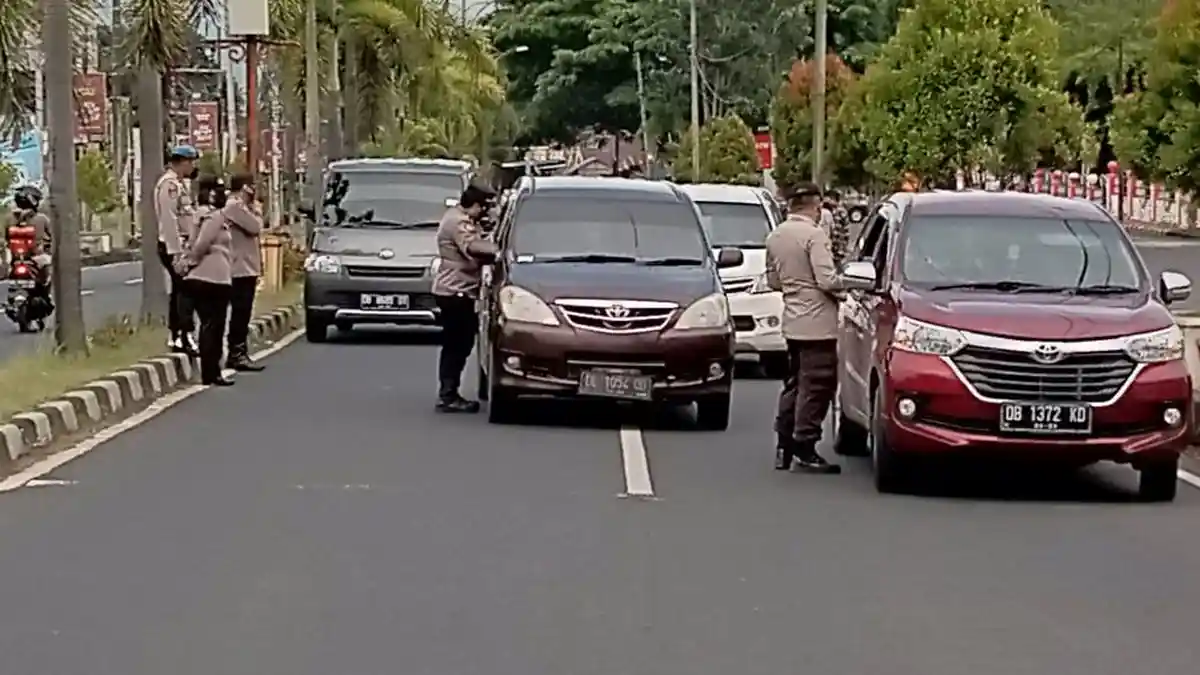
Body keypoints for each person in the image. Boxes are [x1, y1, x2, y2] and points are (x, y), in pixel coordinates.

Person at [766, 182, 842, 474]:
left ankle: (783, 442)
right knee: (818, 384)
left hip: (793, 319)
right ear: (816, 206)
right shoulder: (814, 236)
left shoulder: (776, 236)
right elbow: (826, 279)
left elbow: (773, 280)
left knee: (794, 383)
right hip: (818, 323)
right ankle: (805, 444)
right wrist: (845, 288)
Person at [431, 182, 498, 413]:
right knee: (456, 344)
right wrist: (501, 251)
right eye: (484, 207)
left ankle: (449, 391)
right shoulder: (458, 222)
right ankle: (448, 394)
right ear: (475, 204)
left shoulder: (462, 218)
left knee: (461, 342)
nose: (485, 212)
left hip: (460, 290)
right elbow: (473, 248)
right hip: (454, 291)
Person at [181, 177, 234, 387]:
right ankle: (212, 372)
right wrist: (191, 261)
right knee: (215, 325)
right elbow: (202, 242)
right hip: (215, 278)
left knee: (207, 325)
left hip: (200, 278)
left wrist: (187, 263)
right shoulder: (215, 216)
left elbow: (191, 241)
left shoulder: (197, 215)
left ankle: (209, 371)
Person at [156, 145, 201, 355]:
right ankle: (185, 333)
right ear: (181, 162)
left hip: (181, 244)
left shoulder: (180, 184)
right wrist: (176, 252)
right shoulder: (170, 185)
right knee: (186, 290)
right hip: (173, 246)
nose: (193, 166)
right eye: (190, 162)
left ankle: (176, 335)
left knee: (179, 290)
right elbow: (169, 219)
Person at [222, 173, 265, 372]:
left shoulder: (242, 207)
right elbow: (256, 227)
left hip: (247, 267)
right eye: (251, 186)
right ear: (245, 187)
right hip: (239, 268)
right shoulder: (234, 206)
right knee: (239, 313)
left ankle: (240, 351)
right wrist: (255, 207)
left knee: (244, 313)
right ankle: (235, 353)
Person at [6, 185, 52, 287]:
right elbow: (52, 235)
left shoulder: (10, 219)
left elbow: (6, 238)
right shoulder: (41, 218)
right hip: (36, 258)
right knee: (48, 276)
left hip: (15, 260)